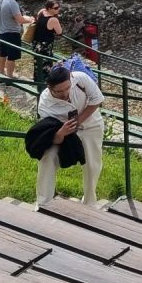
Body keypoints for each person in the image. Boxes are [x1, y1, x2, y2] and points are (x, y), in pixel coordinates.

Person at [36, 62, 105, 208]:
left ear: (71, 79)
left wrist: (78, 121)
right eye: (60, 91)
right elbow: (49, 134)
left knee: (92, 165)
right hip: (62, 132)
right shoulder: (45, 103)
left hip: (91, 125)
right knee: (47, 158)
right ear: (50, 88)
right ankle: (43, 203)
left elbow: (97, 100)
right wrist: (61, 133)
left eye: (68, 88)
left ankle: (89, 202)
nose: (65, 93)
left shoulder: (80, 79)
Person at [0, 0, 27, 80]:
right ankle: (10, 76)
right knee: (12, 57)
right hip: (12, 33)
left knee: (3, 54)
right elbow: (20, 19)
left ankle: (0, 74)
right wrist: (30, 20)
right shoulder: (12, 3)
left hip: (1, 31)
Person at [29, 0, 64, 90]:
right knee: (46, 64)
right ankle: (45, 86)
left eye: (58, 7)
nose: (58, 9)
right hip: (45, 46)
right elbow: (59, 32)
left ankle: (37, 82)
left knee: (38, 63)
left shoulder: (41, 12)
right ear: (49, 8)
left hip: (36, 43)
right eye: (56, 8)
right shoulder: (53, 19)